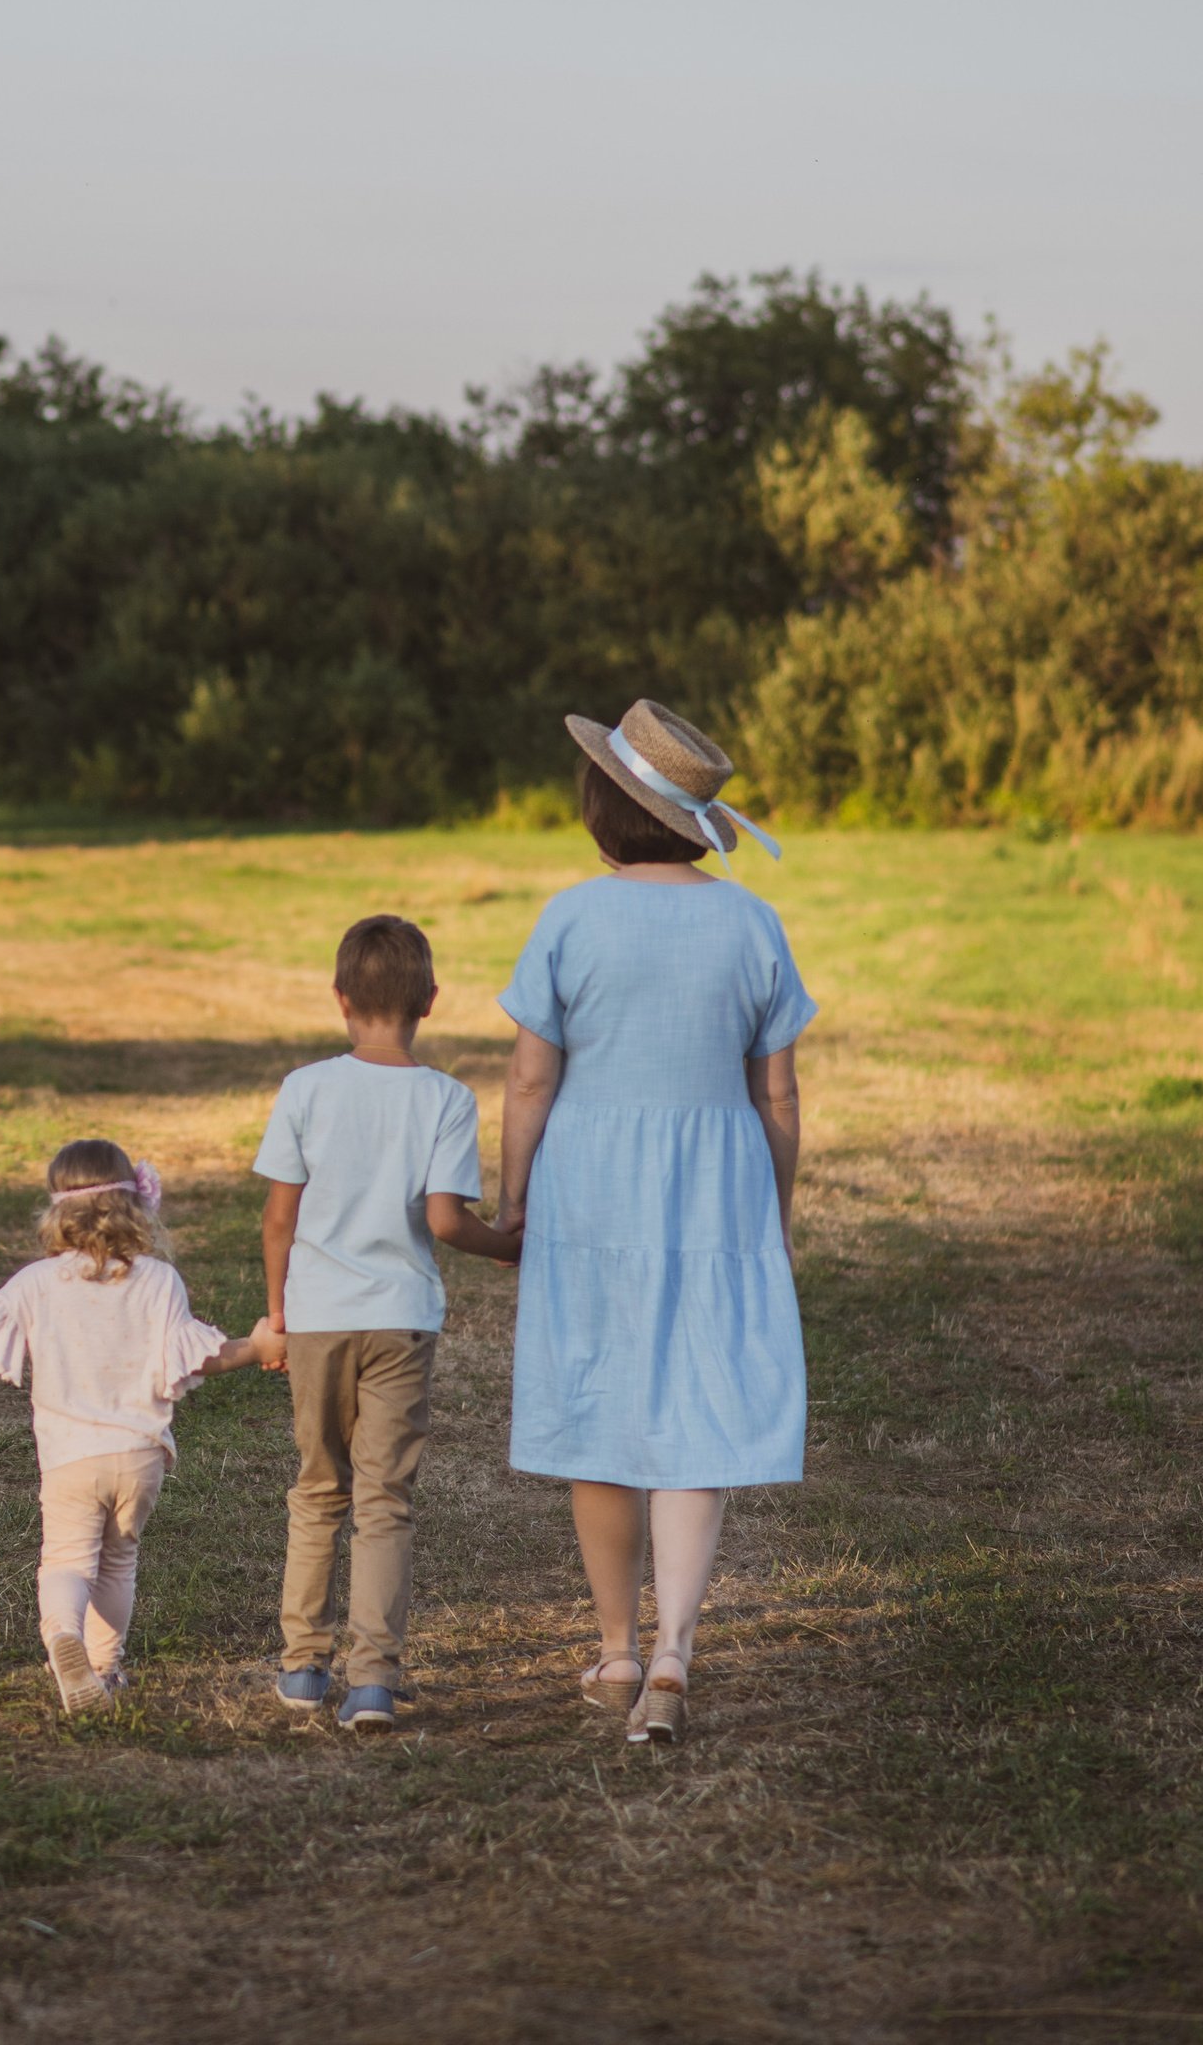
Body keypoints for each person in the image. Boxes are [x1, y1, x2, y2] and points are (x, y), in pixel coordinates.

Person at [496, 699, 813, 1746]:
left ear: (605, 807)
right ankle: (674, 1650)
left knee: (600, 1405)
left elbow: (530, 1079)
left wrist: (514, 1195)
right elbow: (776, 1093)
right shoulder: (750, 922)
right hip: (716, 1180)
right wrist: (771, 1209)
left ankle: (617, 1649)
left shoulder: (570, 918)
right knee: (698, 1405)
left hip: (592, 1181)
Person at [0, 1139, 285, 1713]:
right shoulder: (159, 1280)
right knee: (118, 1562)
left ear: (56, 1211)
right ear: (135, 1205)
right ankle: (105, 1670)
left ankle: (63, 1636)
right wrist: (257, 1346)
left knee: (68, 1561)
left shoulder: (38, 1282)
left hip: (71, 1457)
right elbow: (200, 1357)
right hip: (140, 1456)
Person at [254, 914, 522, 1731]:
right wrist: (508, 1246)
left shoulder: (305, 1088)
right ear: (430, 1000)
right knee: (384, 1501)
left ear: (340, 998)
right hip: (400, 1322)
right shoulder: (446, 1099)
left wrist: (278, 1313)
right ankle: (372, 1682)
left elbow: (278, 1218)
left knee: (316, 1490)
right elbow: (445, 1221)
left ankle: (303, 1667)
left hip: (316, 1320)